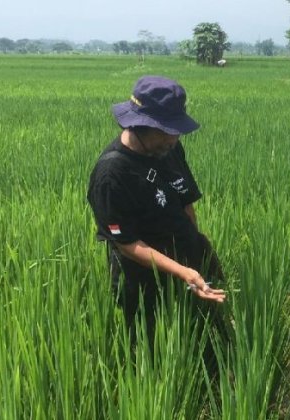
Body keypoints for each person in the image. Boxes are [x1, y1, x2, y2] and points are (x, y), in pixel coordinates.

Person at [87, 75, 228, 357]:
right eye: (166, 130)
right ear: (141, 124)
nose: (174, 138)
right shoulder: (112, 175)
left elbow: (185, 201)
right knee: (156, 354)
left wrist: (197, 249)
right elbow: (125, 243)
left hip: (189, 265)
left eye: (177, 130)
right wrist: (182, 272)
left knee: (208, 343)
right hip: (144, 280)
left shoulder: (169, 149)